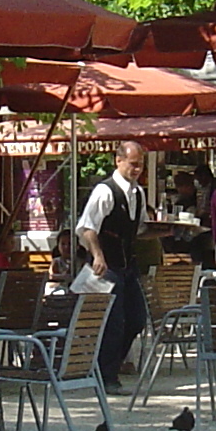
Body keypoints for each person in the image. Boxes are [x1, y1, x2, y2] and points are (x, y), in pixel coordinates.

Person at [77, 140, 152, 390]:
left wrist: (166, 231)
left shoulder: (139, 194)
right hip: (107, 266)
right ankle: (107, 376)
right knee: (113, 321)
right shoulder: (105, 191)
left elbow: (139, 229)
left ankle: (107, 365)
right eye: (133, 164)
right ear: (118, 161)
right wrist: (97, 255)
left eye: (140, 165)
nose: (137, 169)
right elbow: (87, 228)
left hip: (127, 264)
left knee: (137, 319)